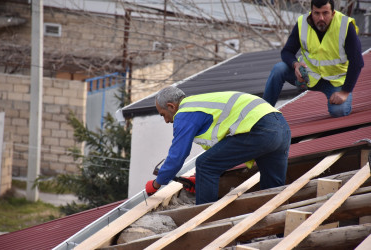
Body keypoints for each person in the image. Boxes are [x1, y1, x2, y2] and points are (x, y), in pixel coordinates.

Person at [145, 86, 291, 205]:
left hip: (261, 129)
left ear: (171, 106)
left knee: (204, 164)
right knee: (273, 193)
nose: (166, 120)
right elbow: (223, 152)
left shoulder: (185, 113)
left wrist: (157, 184)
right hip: (282, 127)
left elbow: (177, 156)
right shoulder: (201, 103)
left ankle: (204, 221)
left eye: (163, 114)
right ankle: (281, 236)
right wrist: (202, 179)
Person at [263, 0, 364, 117]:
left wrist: (345, 92)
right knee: (279, 69)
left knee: (339, 111)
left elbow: (357, 62)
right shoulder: (302, 23)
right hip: (309, 76)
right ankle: (264, 113)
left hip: (335, 80)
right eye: (316, 13)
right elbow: (287, 51)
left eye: (325, 13)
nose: (321, 18)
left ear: (333, 13)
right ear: (311, 12)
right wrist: (295, 65)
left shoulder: (345, 25)